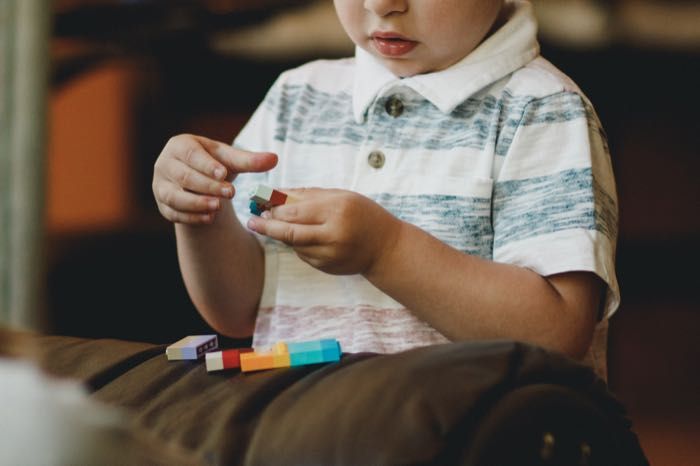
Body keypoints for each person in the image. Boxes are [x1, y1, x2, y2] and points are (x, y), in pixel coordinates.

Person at [152, 0, 619, 377]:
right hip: (301, 434)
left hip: (475, 440)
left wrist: (387, 250)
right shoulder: (297, 97)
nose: (381, 5)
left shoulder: (542, 110)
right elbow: (240, 310)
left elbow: (557, 333)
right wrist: (201, 212)